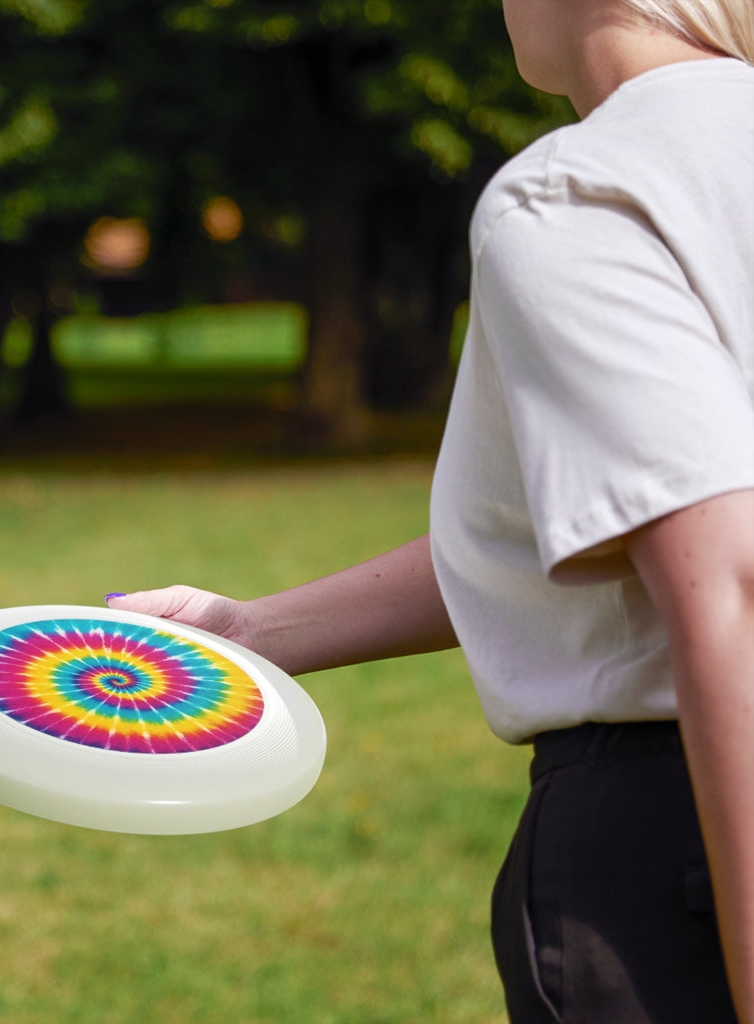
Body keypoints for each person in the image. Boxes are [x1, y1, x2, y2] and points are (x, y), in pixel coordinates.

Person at [105, 1, 754, 1021]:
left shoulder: (582, 191)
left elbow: (728, 581)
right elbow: (606, 521)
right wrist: (252, 630)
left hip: (681, 841)